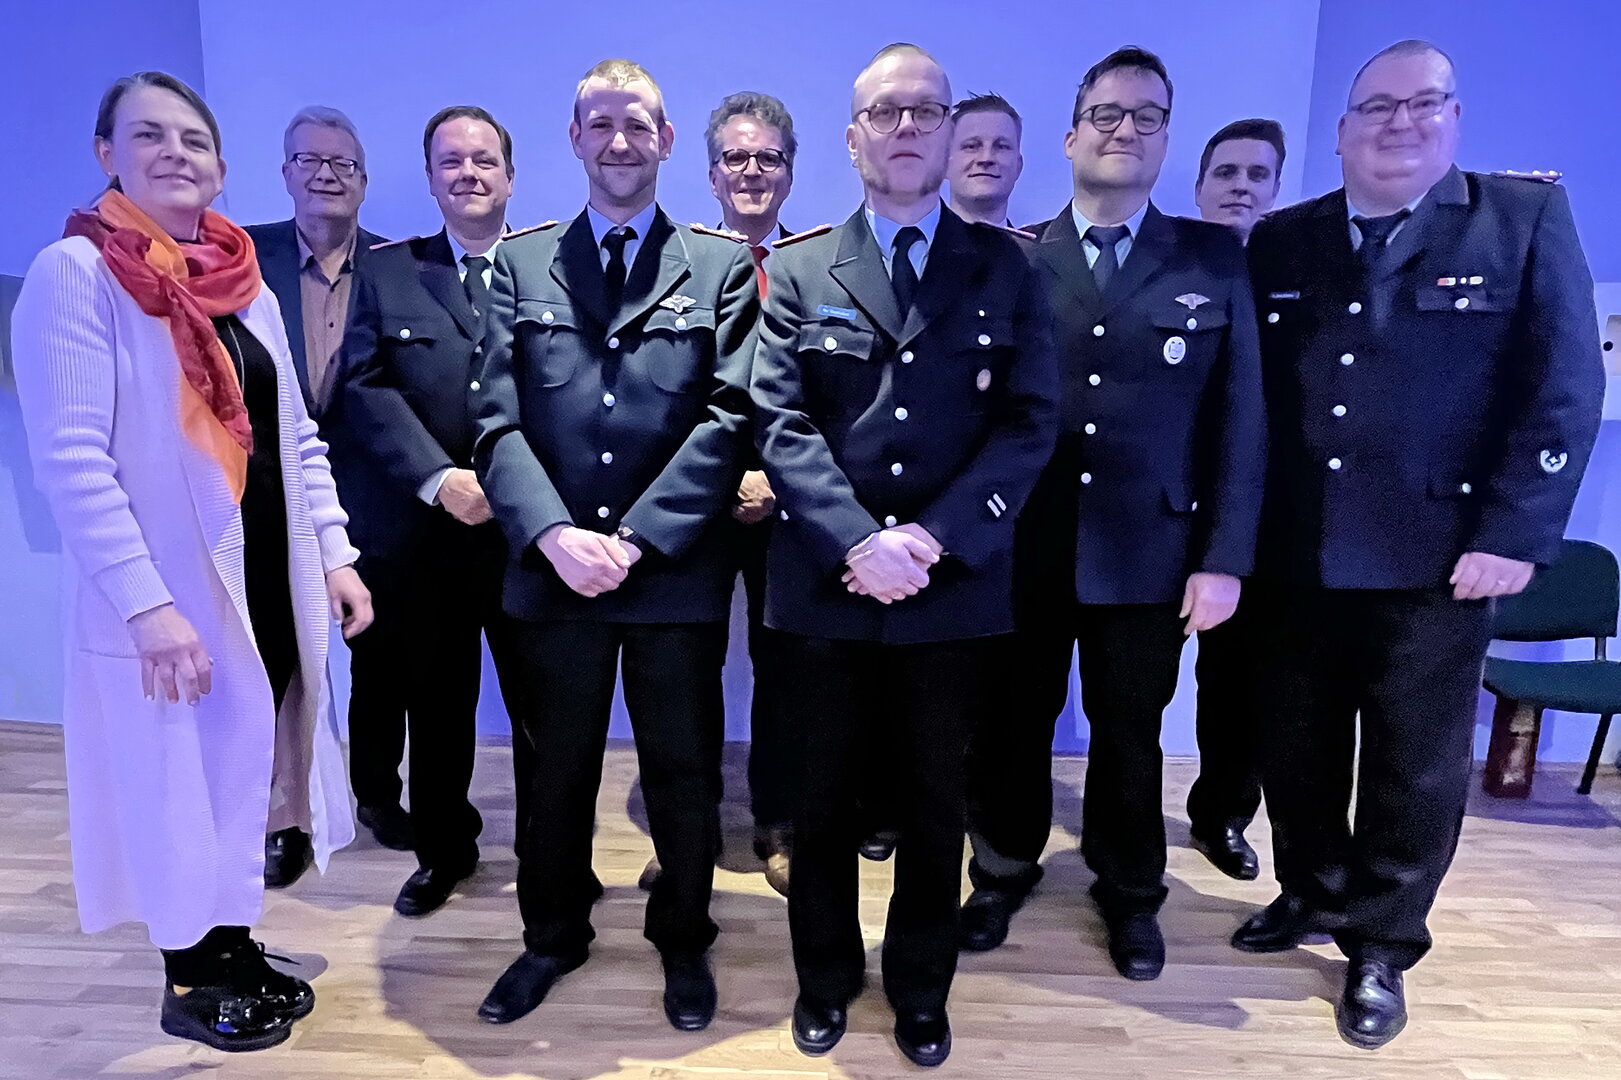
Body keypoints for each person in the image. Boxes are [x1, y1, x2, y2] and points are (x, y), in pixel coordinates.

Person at [1237, 39, 1603, 1049]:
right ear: (1342, 131)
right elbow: (1253, 400)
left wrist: (1514, 534)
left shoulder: (1519, 220)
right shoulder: (1286, 239)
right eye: (1377, 107)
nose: (1399, 122)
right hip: (1296, 551)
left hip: (1438, 556)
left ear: (1452, 117)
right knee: (1296, 746)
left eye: (1422, 103)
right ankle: (1310, 890)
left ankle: (1381, 942)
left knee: (1413, 764)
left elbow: (1564, 389)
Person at [10, 71, 372, 1052]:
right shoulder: (76, 275)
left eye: (193, 139)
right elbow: (72, 462)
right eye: (149, 135)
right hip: (171, 594)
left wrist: (334, 554)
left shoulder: (239, 282)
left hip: (261, 579)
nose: (175, 152)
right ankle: (188, 976)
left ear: (220, 166)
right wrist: (146, 606)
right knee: (175, 783)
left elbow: (294, 438)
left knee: (239, 773)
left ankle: (232, 944)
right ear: (106, 154)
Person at [752, 43, 1057, 1067]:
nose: (907, 127)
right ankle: (826, 979)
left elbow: (1028, 421)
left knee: (934, 808)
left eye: (927, 110)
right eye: (886, 112)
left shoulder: (1007, 268)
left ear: (952, 130)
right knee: (821, 803)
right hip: (825, 586)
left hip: (949, 587)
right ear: (853, 139)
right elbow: (779, 421)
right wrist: (857, 540)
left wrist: (930, 538)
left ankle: (922, 988)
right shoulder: (801, 270)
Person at [960, 46, 1264, 981]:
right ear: (1070, 137)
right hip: (1025, 543)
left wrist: (1223, 557)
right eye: (1106, 113)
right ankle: (1000, 869)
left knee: (1130, 733)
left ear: (1166, 138)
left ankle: (1130, 891)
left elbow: (1239, 416)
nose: (1124, 129)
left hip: (1151, 549)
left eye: (1146, 115)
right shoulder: (1016, 259)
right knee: (1011, 720)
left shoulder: (1211, 257)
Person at [472, 58, 758, 1033]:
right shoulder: (520, 265)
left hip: (669, 572)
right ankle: (551, 936)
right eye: (600, 124)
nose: (619, 142)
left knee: (682, 772)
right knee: (554, 774)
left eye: (637, 125)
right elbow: (494, 420)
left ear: (666, 141)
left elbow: (728, 417)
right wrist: (553, 531)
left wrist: (635, 539)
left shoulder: (716, 267)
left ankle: (683, 935)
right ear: (575, 139)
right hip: (553, 574)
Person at [329, 105, 533, 917]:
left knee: (542, 710)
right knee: (437, 708)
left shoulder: (549, 268)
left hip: (526, 537)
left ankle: (552, 856)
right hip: (426, 538)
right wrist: (437, 477)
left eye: (484, 159)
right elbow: (363, 385)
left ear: (510, 175)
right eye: (451, 161)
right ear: (429, 178)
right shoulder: (387, 272)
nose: (468, 173)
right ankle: (443, 852)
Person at [245, 106, 404, 878]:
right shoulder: (242, 259)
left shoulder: (396, 265)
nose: (325, 176)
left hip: (373, 493)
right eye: (308, 160)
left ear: (364, 181)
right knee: (276, 655)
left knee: (376, 653)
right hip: (267, 489)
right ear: (285, 173)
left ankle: (375, 791)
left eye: (342, 164)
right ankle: (283, 817)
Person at [700, 89, 798, 896]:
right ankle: (690, 821)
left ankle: (779, 821)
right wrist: (726, 471)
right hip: (696, 500)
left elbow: (829, 396)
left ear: (789, 172)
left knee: (787, 670)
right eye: (735, 157)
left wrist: (777, 479)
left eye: (768, 158)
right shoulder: (681, 264)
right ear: (711, 173)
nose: (751, 172)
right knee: (687, 669)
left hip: (792, 506)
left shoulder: (814, 264)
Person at [1185, 116, 1286, 882]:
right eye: (1226, 172)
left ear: (1276, 188)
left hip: (1264, 510)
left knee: (1240, 678)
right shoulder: (1173, 260)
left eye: (1257, 175)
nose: (1240, 187)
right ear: (1199, 186)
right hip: (1166, 506)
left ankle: (1221, 813)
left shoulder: (1293, 270)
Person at [945, 93, 1025, 227]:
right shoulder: (914, 239)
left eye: (1001, 146)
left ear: (1018, 166)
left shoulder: (1045, 241)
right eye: (971, 146)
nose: (986, 158)